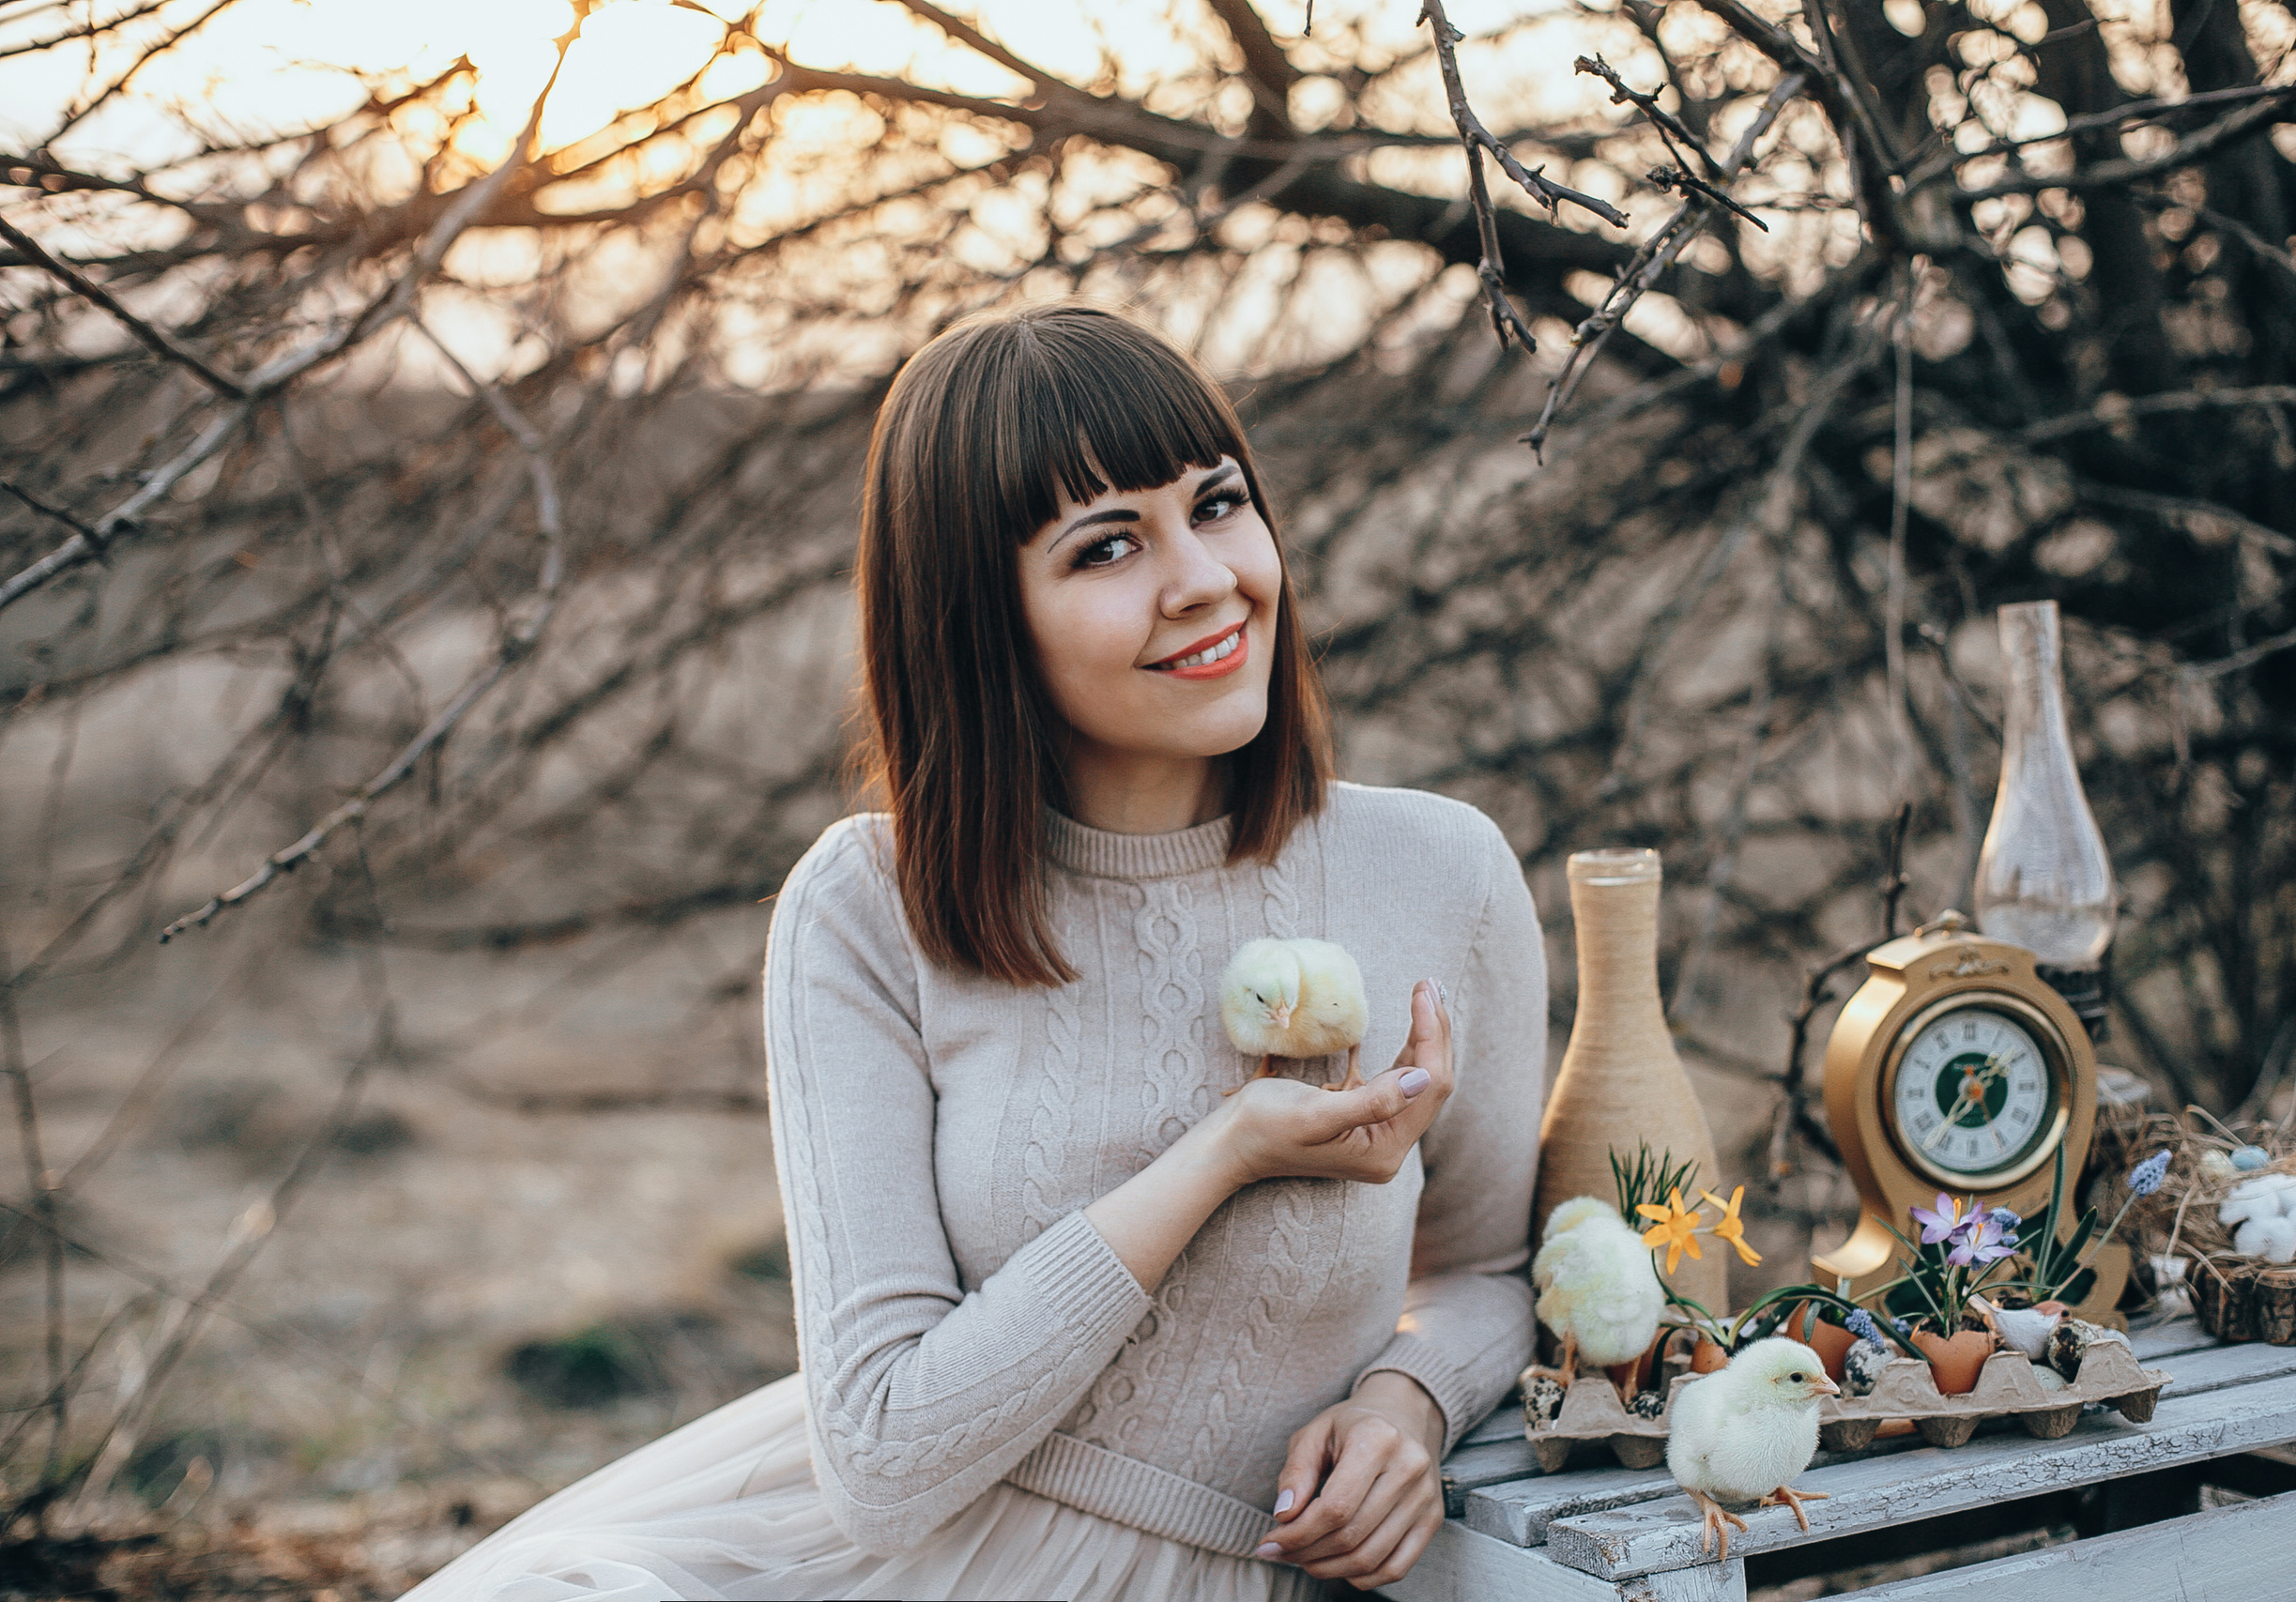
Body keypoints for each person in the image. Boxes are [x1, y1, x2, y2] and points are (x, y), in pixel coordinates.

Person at [406, 304, 1546, 1601]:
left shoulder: (1438, 871)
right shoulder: (868, 907)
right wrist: (1221, 1156)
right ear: (982, 620)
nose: (1204, 579)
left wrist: (1410, 1401)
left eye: (1217, 505)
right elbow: (886, 1456)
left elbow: (1491, 1272)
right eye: (1107, 546)